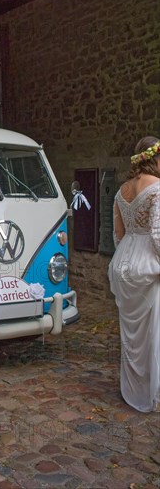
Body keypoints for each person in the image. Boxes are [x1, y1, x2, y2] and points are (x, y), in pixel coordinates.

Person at [108, 136, 160, 412]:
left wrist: (124, 259)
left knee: (131, 335)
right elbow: (158, 234)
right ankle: (153, 393)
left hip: (123, 264)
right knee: (154, 332)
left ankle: (133, 389)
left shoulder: (121, 191)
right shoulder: (158, 189)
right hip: (148, 264)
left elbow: (118, 235)